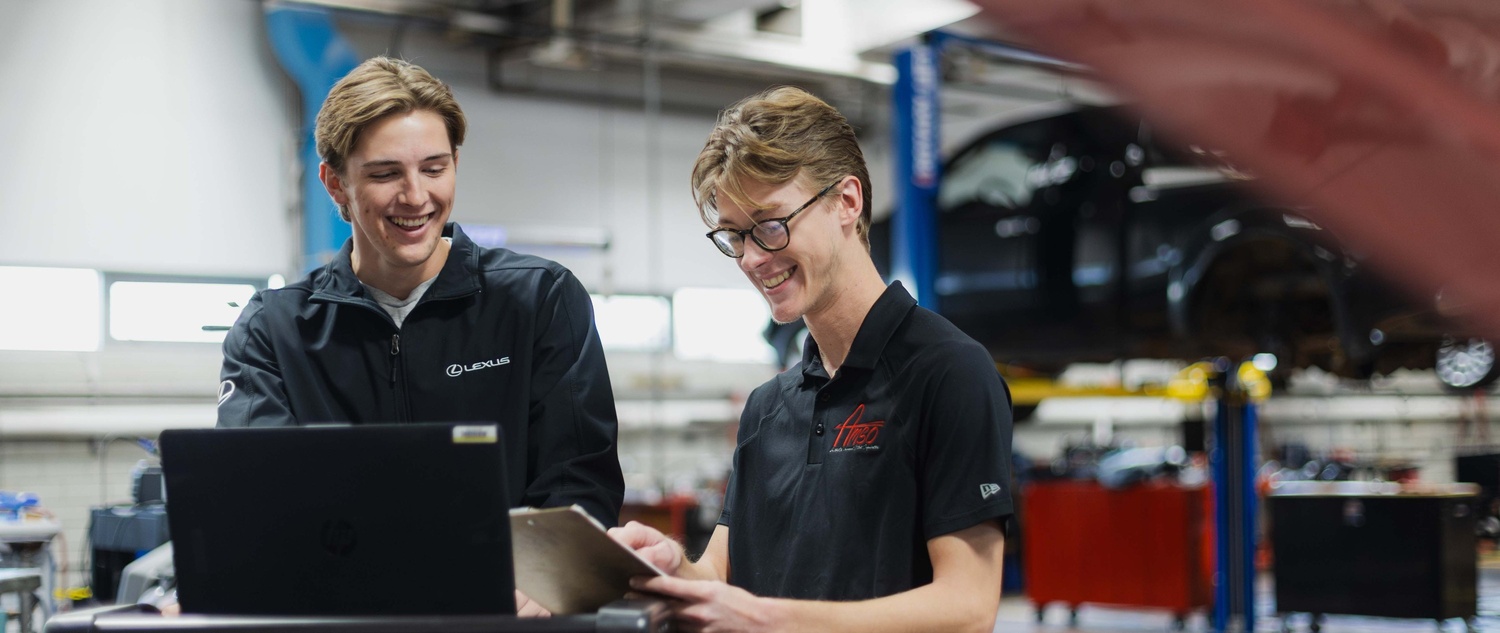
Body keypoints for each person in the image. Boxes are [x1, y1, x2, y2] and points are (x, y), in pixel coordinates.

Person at [216, 57, 624, 613]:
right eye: (385, 174)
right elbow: (256, 503)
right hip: (343, 619)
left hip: (507, 617)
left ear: (455, 162)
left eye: (434, 168)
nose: (415, 197)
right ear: (335, 181)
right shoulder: (274, 331)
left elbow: (580, 481)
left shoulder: (539, 300)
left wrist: (544, 579)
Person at [609, 86, 1014, 631]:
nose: (752, 257)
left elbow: (967, 608)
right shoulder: (767, 409)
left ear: (846, 202)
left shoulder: (949, 374)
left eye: (770, 225)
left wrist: (769, 620)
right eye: (733, 236)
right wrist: (668, 563)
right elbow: (720, 584)